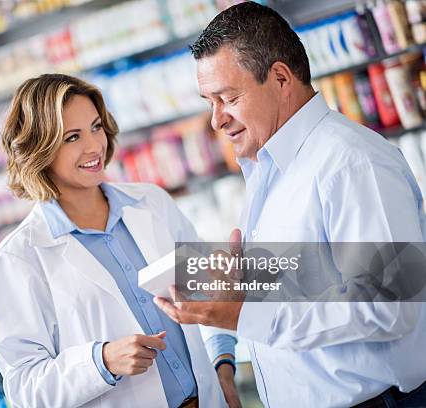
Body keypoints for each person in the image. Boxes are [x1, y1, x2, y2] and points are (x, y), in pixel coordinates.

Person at [153, 2, 426, 408]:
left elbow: (388, 306)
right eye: (208, 101)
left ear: (280, 78)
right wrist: (236, 291)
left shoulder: (351, 163)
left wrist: (242, 313)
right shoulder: (268, 166)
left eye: (227, 98)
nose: (216, 120)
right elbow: (315, 282)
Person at [0, 73, 240, 408]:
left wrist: (222, 369)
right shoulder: (19, 258)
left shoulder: (152, 203)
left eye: (95, 127)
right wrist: (101, 361)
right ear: (39, 149)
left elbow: (203, 299)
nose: (94, 146)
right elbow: (24, 388)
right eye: (72, 137)